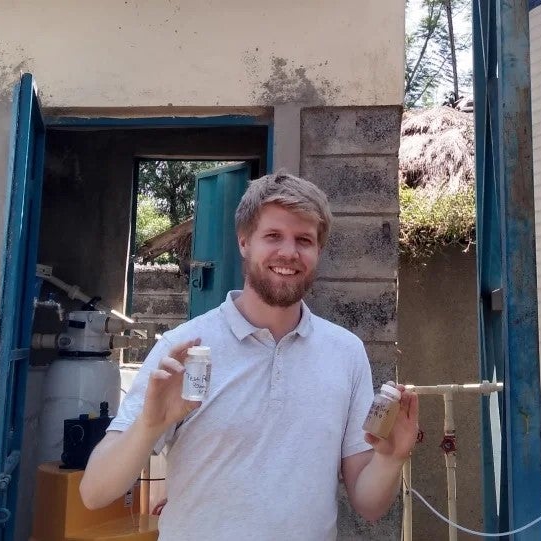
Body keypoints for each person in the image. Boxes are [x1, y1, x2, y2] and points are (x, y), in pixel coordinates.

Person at [79, 172, 419, 540]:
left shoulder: (346, 352)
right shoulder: (184, 348)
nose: (289, 252)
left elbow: (369, 505)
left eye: (304, 239)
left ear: (318, 250)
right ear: (244, 242)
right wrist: (148, 426)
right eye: (273, 236)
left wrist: (390, 458)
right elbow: (95, 492)